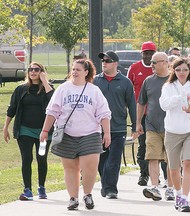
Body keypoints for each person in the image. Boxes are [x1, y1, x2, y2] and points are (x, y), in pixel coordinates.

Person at [40, 59, 111, 210]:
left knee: (89, 167)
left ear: (86, 72)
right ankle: (73, 198)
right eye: (73, 69)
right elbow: (52, 111)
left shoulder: (94, 90)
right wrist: (45, 130)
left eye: (78, 69)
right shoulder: (63, 89)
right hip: (67, 134)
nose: (74, 72)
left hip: (90, 133)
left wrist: (107, 133)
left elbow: (104, 113)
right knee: (70, 168)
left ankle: (87, 194)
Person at [159, 57, 190, 212]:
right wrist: (178, 98)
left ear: (189, 70)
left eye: (185, 69)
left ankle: (185, 199)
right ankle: (178, 194)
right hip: (172, 131)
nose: (182, 73)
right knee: (173, 168)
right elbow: (164, 105)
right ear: (174, 70)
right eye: (178, 70)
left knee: (188, 163)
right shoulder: (168, 86)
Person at [3, 62, 54, 201]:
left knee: (41, 158)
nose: (33, 72)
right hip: (24, 130)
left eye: (36, 70)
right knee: (27, 159)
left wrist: (44, 81)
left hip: (44, 131)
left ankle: (42, 187)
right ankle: (27, 190)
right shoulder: (21, 89)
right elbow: (12, 109)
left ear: (42, 72)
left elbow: (54, 103)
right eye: (31, 69)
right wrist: (5, 127)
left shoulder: (48, 89)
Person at [94, 51, 137, 199]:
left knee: (114, 160)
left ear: (115, 63)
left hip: (118, 127)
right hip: (97, 128)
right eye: (103, 61)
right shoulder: (95, 81)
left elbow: (132, 104)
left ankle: (111, 189)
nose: (104, 63)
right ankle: (106, 184)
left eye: (108, 60)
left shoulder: (125, 82)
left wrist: (135, 124)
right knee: (101, 160)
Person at [137, 52, 174, 201]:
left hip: (172, 127)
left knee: (171, 159)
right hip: (151, 125)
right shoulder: (148, 81)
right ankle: (155, 187)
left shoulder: (174, 81)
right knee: (152, 157)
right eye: (151, 62)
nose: (150, 64)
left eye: (154, 62)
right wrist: (138, 122)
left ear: (165, 63)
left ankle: (170, 188)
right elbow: (141, 103)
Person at [127, 41, 156, 186]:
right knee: (143, 144)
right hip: (141, 114)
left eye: (151, 53)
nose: (149, 56)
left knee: (160, 144)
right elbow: (128, 90)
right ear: (142, 53)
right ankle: (144, 174)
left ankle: (163, 173)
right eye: (146, 53)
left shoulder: (160, 68)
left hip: (157, 114)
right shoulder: (134, 68)